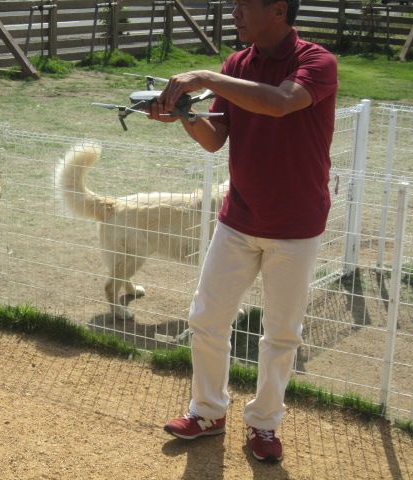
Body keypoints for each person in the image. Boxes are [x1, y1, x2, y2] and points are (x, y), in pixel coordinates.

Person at [148, 0, 338, 462]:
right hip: (239, 217)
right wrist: (185, 116)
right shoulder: (237, 63)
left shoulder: (317, 61)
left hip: (295, 226)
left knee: (281, 334)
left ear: (277, 9)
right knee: (206, 318)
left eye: (242, 5)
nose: (234, 11)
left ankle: (265, 424)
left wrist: (207, 78)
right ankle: (209, 412)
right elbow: (216, 136)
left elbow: (280, 103)